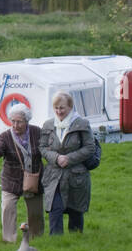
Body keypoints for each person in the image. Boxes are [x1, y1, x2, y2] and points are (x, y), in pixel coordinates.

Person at [0, 104, 44, 243]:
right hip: (11, 180)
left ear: (27, 121)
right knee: (7, 208)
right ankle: (9, 239)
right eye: (13, 121)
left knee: (35, 212)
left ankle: (37, 237)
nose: (15, 125)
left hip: (33, 178)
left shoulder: (37, 132)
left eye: (19, 122)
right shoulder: (5, 136)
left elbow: (46, 150)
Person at [39, 91, 96, 235]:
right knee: (55, 208)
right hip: (54, 175)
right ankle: (56, 242)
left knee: (75, 209)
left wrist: (69, 158)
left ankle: (76, 239)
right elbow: (42, 147)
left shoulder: (82, 124)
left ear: (70, 107)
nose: (59, 111)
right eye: (56, 108)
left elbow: (90, 148)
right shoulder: (48, 125)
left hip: (76, 175)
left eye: (62, 108)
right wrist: (56, 157)